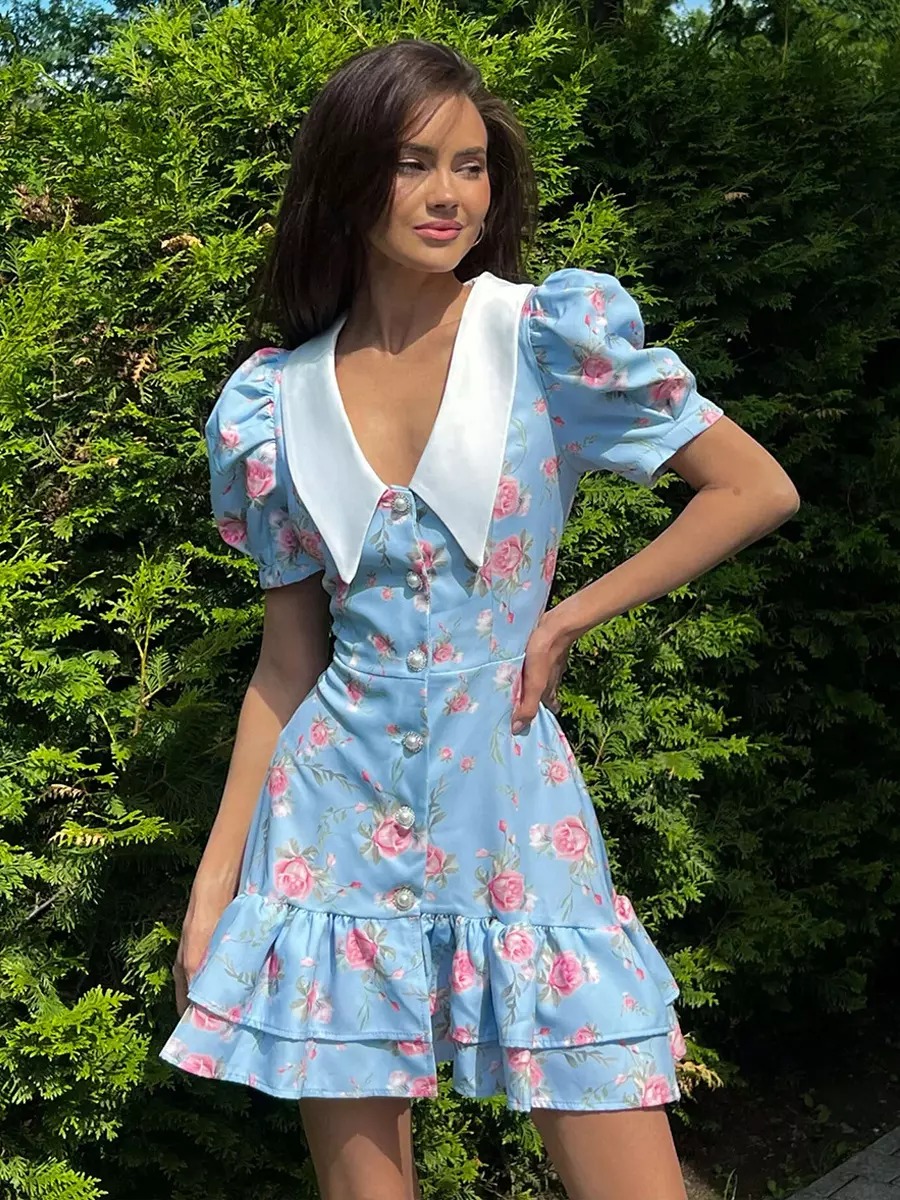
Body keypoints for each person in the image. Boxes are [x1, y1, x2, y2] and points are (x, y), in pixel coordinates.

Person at [158, 37, 799, 1200]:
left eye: (470, 164)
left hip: (514, 810)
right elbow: (287, 664)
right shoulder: (272, 402)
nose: (448, 193)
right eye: (413, 163)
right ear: (349, 177)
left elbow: (753, 487)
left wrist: (564, 621)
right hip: (326, 828)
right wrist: (216, 888)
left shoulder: (543, 336)